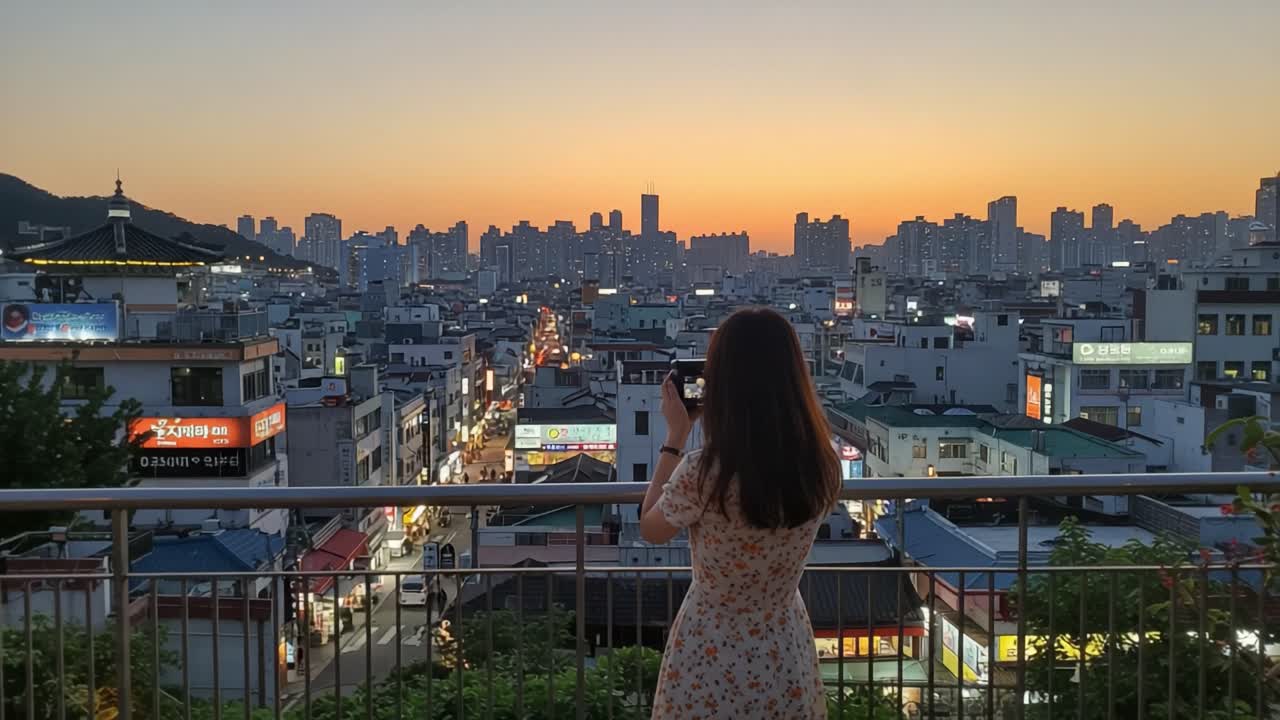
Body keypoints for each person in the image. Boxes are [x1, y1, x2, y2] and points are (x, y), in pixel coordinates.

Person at [639, 307, 841, 719]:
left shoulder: (707, 470)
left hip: (711, 643)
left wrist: (675, 437)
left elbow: (650, 528)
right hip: (783, 637)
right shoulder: (821, 464)